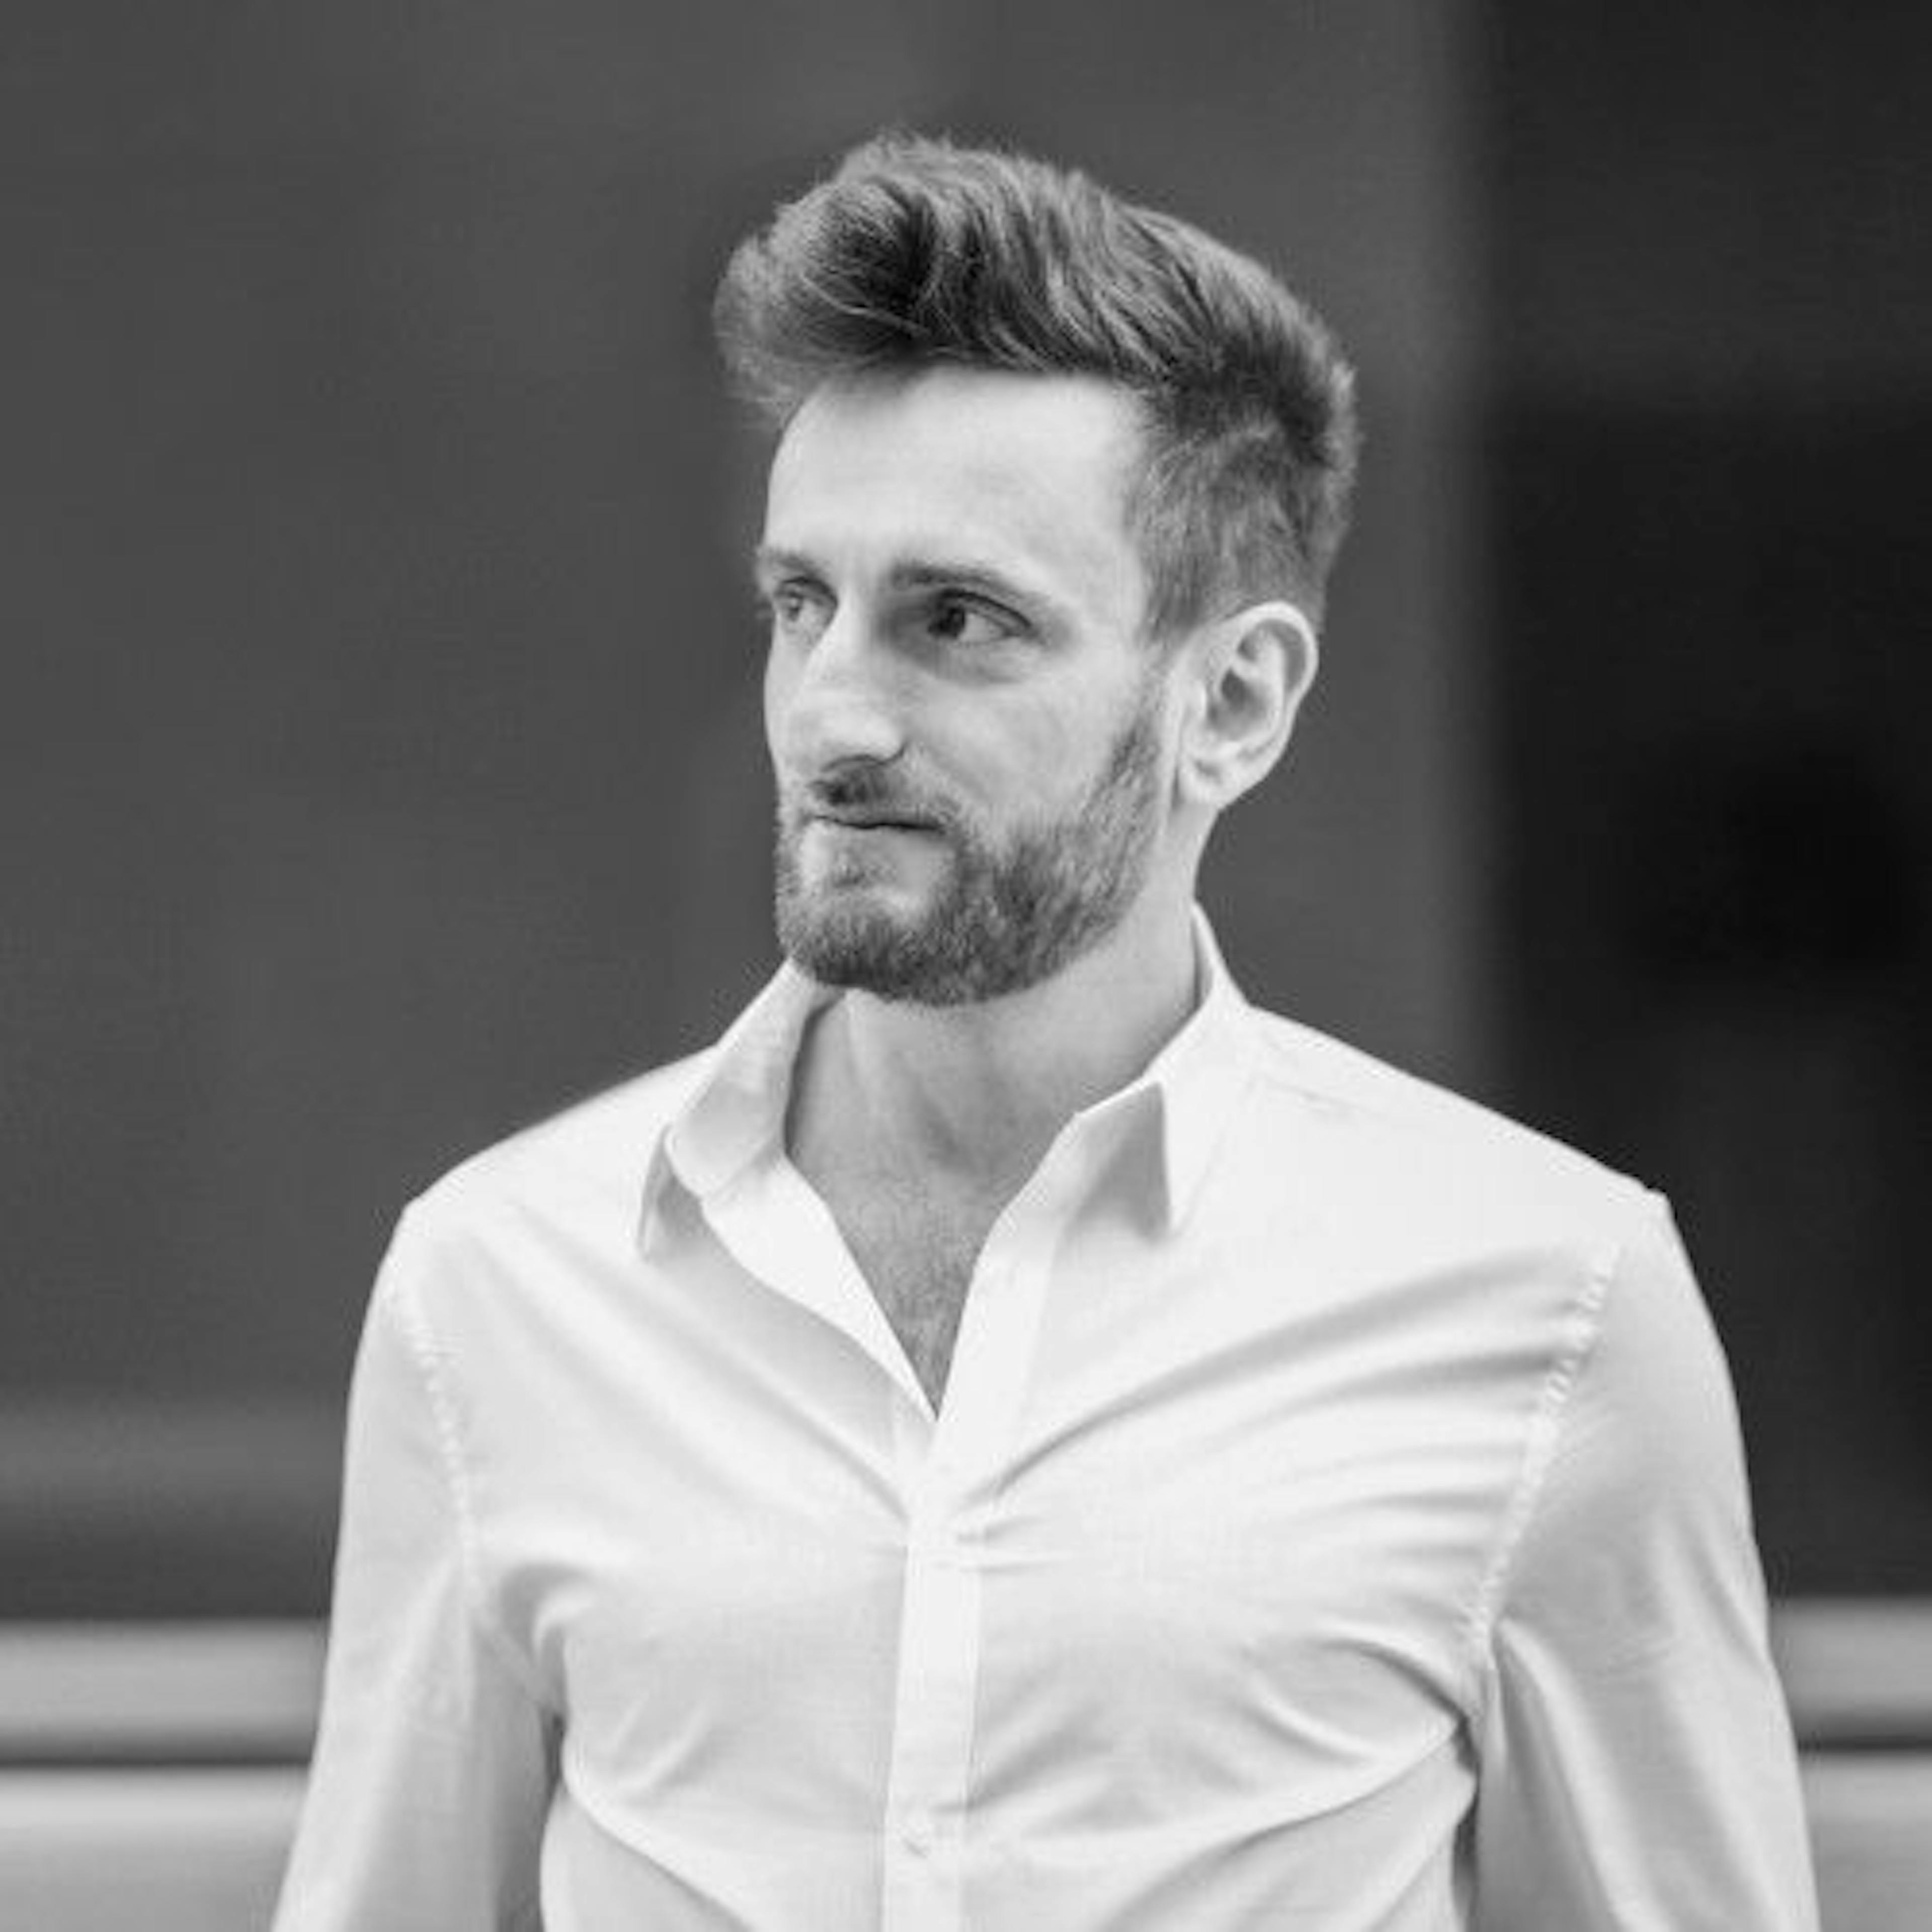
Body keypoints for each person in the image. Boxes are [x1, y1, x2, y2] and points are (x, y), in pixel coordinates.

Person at [273, 134, 1818, 1930]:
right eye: (801, 604)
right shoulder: (498, 1286)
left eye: (960, 620)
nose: (831, 718)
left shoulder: (1551, 1301)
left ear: (1231, 704)